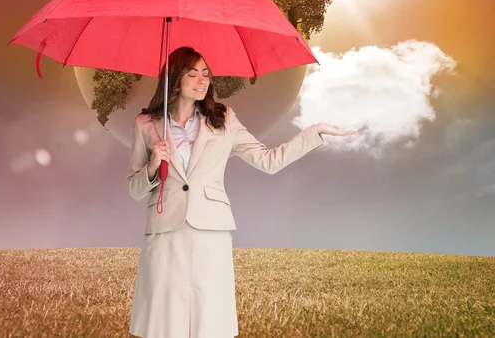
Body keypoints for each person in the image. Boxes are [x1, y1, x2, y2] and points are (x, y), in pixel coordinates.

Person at [127, 47, 357, 338]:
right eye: (193, 73)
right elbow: (134, 188)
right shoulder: (146, 124)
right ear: (174, 79)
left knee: (208, 317)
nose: (202, 81)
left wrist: (316, 132)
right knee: (163, 318)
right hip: (164, 229)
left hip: (210, 228)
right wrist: (152, 164)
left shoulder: (223, 119)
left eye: (206, 74)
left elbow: (268, 160)